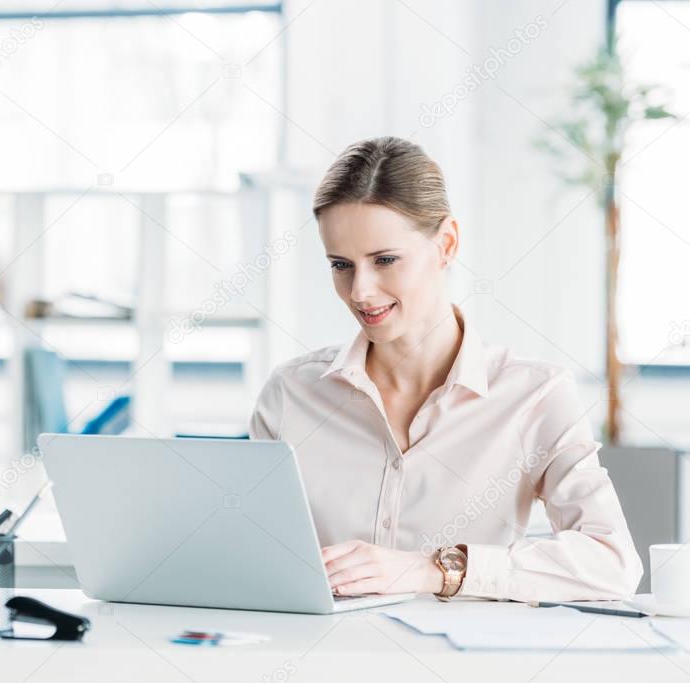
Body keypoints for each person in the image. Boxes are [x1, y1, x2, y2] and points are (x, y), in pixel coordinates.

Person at [249, 136, 642, 602]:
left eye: (385, 260)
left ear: (447, 244)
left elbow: (612, 562)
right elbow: (251, 557)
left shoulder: (533, 395)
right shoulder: (292, 393)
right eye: (341, 265)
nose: (360, 291)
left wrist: (432, 569)